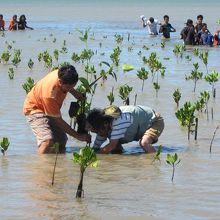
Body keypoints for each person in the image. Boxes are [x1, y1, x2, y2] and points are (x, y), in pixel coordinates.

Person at [23, 65, 91, 154]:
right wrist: (78, 136)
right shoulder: (50, 95)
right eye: (68, 88)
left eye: (72, 86)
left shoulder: (62, 73)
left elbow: (67, 84)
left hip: (49, 108)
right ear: (60, 82)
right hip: (35, 109)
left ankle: (55, 165)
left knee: (61, 141)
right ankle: (39, 166)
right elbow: (58, 120)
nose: (69, 89)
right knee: (47, 141)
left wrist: (75, 93)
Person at [86, 105, 164, 154]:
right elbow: (96, 146)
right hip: (138, 127)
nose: (98, 133)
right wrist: (93, 151)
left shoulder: (117, 122)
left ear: (105, 124)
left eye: (98, 131)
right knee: (116, 149)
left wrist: (98, 155)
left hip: (154, 121)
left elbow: (111, 145)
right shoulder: (104, 124)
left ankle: (155, 160)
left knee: (144, 143)